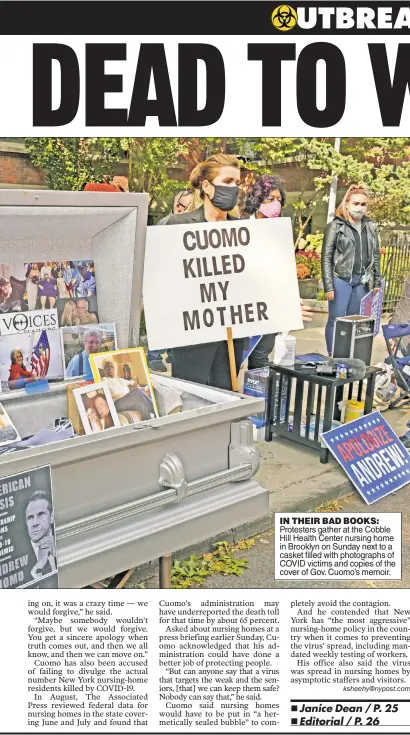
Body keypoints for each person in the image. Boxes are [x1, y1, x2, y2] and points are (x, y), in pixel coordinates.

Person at [158, 153, 245, 389]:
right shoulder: (178, 226)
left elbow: (255, 282)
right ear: (207, 186)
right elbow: (162, 278)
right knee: (191, 402)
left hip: (231, 338)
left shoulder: (244, 232)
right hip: (190, 338)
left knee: (225, 400)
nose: (234, 188)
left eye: (237, 183)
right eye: (227, 182)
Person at [322, 184, 382, 355]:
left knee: (354, 320)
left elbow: (375, 254)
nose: (360, 208)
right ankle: (333, 355)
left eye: (363, 204)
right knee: (336, 319)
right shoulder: (336, 226)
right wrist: (329, 285)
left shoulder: (370, 226)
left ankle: (348, 355)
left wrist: (377, 280)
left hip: (361, 282)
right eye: (356, 204)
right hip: (340, 280)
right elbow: (326, 256)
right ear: (347, 204)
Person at [148, 190, 195, 371]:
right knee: (165, 318)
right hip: (167, 280)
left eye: (189, 206)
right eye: (182, 204)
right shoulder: (166, 223)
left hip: (182, 278)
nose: (182, 208)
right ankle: (154, 355)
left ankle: (171, 353)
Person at [25, 491, 57, 581]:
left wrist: (58, 555)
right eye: (30, 517)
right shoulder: (18, 558)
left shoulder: (63, 540)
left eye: (41, 514)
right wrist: (38, 567)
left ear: (51, 517)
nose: (35, 523)